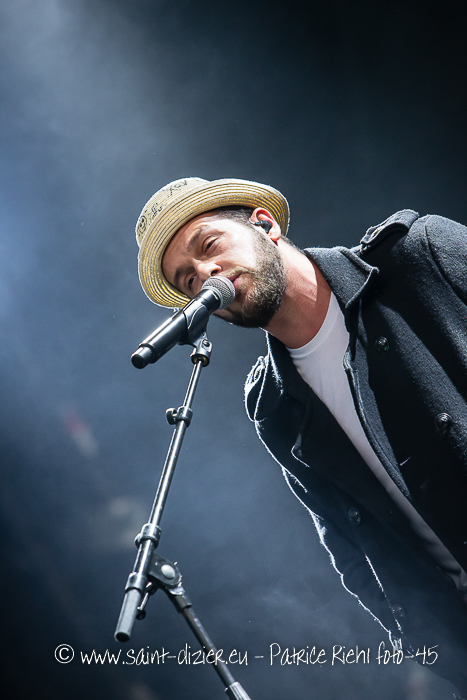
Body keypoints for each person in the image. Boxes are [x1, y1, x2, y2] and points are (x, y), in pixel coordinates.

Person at [134, 177, 467, 696]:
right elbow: (350, 549)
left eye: (209, 245)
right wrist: (434, 647)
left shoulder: (416, 256)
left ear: (265, 224)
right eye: (188, 278)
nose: (205, 275)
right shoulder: (272, 408)